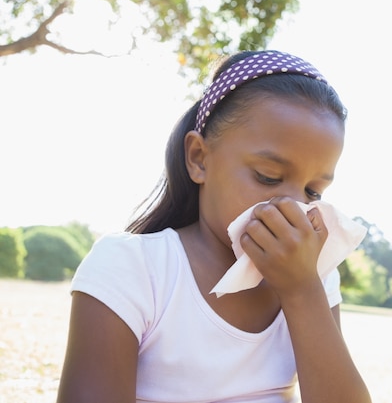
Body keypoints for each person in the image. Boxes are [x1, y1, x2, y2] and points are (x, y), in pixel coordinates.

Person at [56, 50, 372, 403]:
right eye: (268, 177)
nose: (292, 207)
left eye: (313, 191)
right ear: (199, 159)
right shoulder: (135, 269)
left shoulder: (316, 277)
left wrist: (302, 291)